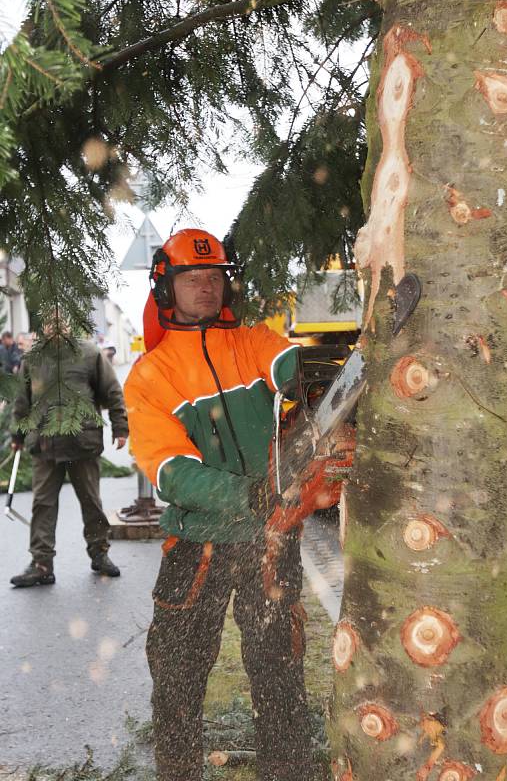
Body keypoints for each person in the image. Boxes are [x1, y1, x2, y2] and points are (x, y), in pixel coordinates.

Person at [124, 229, 352, 781]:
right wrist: (246, 493)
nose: (206, 287)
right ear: (166, 288)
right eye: (192, 278)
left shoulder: (251, 342)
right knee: (178, 677)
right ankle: (178, 772)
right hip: (196, 546)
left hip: (268, 540)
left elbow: (288, 368)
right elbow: (171, 471)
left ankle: (289, 771)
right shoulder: (151, 376)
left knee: (278, 673)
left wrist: (320, 377)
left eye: (214, 277)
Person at [10, 332, 129, 588]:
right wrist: (17, 435)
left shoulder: (89, 353)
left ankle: (99, 554)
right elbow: (23, 398)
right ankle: (41, 564)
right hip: (45, 445)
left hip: (82, 443)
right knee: (42, 505)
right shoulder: (33, 358)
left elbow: (111, 390)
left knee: (91, 502)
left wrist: (120, 427)